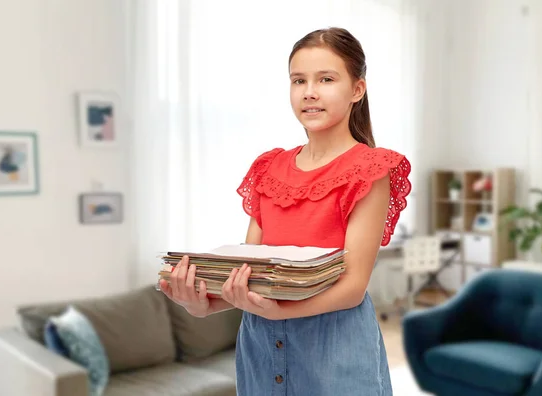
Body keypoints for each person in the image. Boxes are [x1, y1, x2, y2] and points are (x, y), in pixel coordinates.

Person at [159, 26, 411, 396]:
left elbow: (353, 289)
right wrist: (203, 306)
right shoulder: (269, 167)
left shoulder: (371, 168)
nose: (309, 92)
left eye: (326, 79)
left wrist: (281, 312)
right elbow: (252, 273)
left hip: (334, 345)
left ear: (357, 89)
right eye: (298, 80)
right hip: (260, 344)